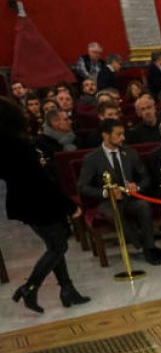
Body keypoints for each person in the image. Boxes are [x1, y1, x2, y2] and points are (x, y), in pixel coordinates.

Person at [2, 98, 90, 313]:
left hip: (24, 202)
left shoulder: (4, 145)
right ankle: (30, 287)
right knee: (59, 246)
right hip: (39, 202)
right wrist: (70, 206)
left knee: (54, 245)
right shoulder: (18, 145)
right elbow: (41, 181)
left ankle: (67, 289)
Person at [77, 118, 161, 265]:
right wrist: (106, 192)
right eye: (118, 134)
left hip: (130, 198)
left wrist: (136, 187)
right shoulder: (92, 158)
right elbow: (82, 187)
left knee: (143, 206)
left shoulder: (130, 153)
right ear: (106, 136)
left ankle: (149, 247)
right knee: (113, 213)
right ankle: (141, 245)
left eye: (123, 134)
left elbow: (145, 177)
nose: (123, 138)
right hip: (107, 201)